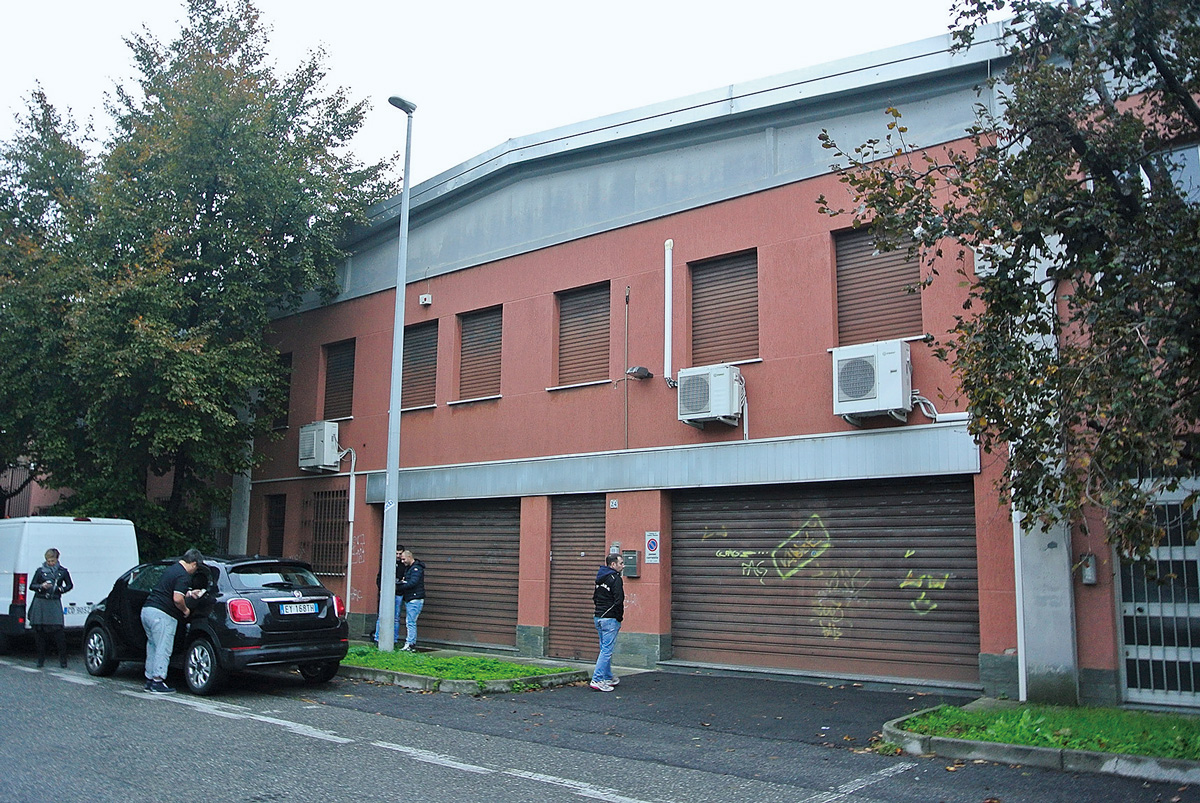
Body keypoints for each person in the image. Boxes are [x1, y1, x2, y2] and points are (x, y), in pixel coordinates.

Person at [141, 548, 206, 693]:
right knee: (163, 648)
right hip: (162, 615)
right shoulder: (184, 575)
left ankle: (150, 680)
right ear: (194, 564)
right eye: (196, 568)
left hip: (148, 611)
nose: (194, 571)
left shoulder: (172, 569)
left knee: (152, 646)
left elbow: (171, 589)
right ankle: (158, 681)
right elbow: (177, 599)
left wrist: (190, 593)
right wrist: (185, 610)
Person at [28, 548, 74, 668]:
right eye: (48, 561)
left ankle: (63, 660)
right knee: (39, 633)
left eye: (52, 561)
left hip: (54, 602)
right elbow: (32, 586)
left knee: (58, 632)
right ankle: (40, 659)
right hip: (40, 601)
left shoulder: (62, 571)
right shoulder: (40, 571)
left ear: (57, 559)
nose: (50, 563)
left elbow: (70, 585)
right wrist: (41, 586)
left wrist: (61, 589)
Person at [590, 553, 625, 692]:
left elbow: (595, 597)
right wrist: (618, 617)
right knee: (606, 650)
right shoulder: (615, 579)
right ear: (613, 564)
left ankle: (607, 676)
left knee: (604, 649)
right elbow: (619, 600)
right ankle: (597, 679)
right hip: (609, 619)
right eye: (621, 563)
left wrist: (599, 611)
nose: (623, 566)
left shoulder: (600, 577)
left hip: (598, 617)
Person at [373, 545, 406, 644]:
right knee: (382, 616)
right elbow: (379, 578)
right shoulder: (387, 563)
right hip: (386, 594)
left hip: (398, 594)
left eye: (400, 554)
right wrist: (381, 590)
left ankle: (394, 640)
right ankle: (377, 638)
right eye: (396, 553)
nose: (398, 556)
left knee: (396, 618)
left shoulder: (404, 565)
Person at [396, 549, 425, 651]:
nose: (402, 561)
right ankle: (410, 643)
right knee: (410, 622)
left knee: (410, 622)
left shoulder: (416, 569)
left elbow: (413, 582)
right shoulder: (410, 568)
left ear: (409, 557)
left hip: (414, 598)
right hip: (411, 598)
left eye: (403, 559)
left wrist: (399, 586)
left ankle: (410, 644)